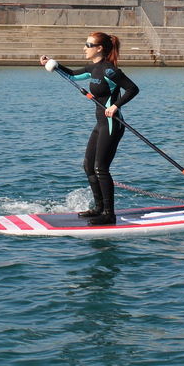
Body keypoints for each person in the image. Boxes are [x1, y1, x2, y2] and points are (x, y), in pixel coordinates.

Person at [40, 31, 139, 224]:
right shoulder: (93, 69)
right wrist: (53, 63)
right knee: (89, 166)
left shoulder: (110, 71)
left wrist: (115, 105)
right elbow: (72, 75)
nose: (84, 48)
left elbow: (133, 88)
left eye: (88, 45)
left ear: (99, 48)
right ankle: (99, 208)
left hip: (112, 124)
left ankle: (109, 214)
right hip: (100, 124)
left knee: (101, 168)